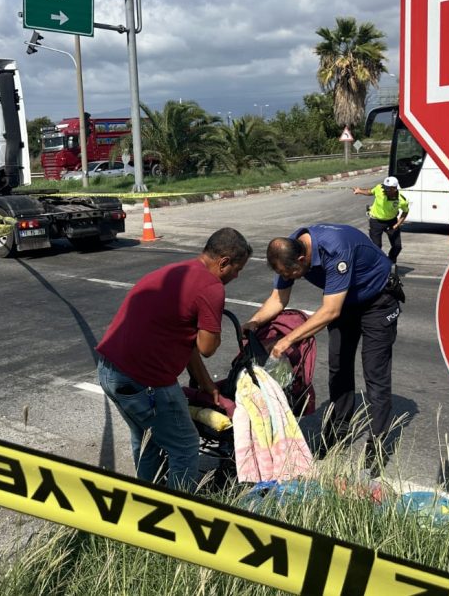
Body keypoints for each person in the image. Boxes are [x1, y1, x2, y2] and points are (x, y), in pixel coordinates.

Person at [97, 228, 252, 492]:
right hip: (146, 382)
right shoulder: (211, 287)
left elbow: (184, 341)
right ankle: (178, 513)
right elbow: (206, 347)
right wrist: (213, 326)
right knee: (185, 445)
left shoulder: (178, 271)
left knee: (147, 439)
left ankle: (149, 498)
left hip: (110, 371)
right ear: (223, 262)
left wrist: (206, 384)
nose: (236, 276)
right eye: (237, 269)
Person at [244, 223, 404, 477]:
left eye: (294, 272)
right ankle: (336, 436)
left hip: (377, 301)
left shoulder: (334, 249)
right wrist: (254, 322)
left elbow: (330, 311)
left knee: (375, 376)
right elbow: (278, 300)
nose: (293, 277)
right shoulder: (286, 252)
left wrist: (287, 341)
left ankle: (377, 451)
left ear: (302, 257)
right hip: (345, 300)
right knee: (338, 368)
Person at [352, 176, 410, 264]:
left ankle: (390, 261)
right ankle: (377, 264)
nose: (384, 190)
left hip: (391, 222)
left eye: (387, 189)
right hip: (376, 221)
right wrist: (360, 191)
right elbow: (370, 192)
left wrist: (397, 225)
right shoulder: (379, 188)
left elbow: (405, 212)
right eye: (384, 188)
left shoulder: (401, 200)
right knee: (376, 246)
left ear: (394, 189)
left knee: (397, 246)